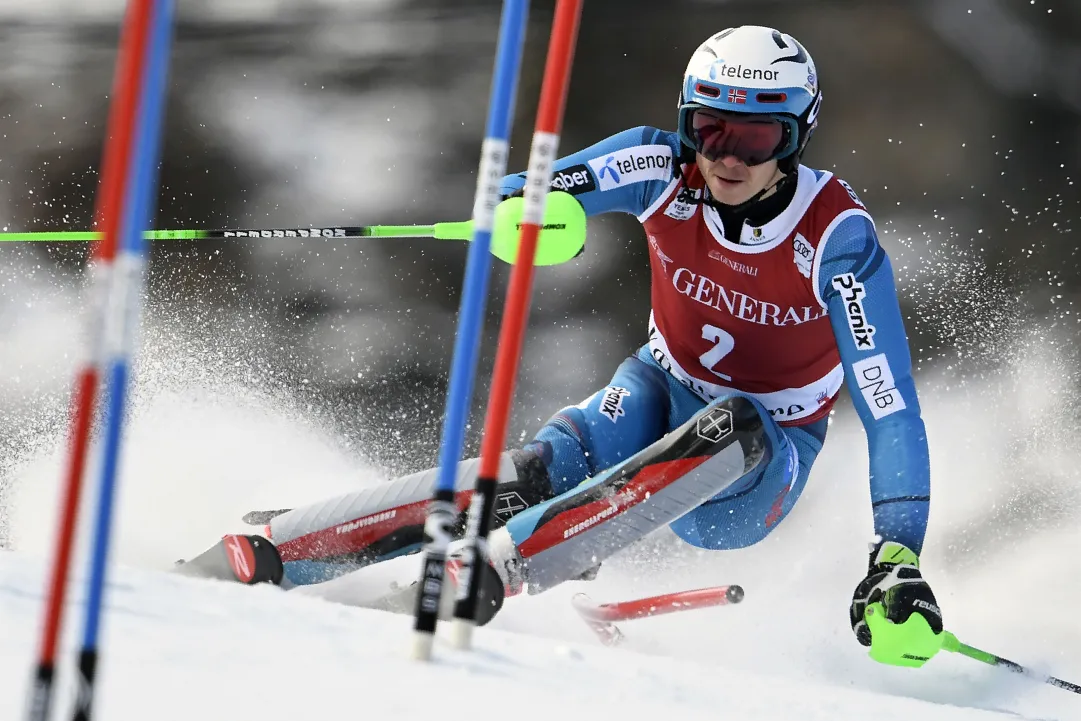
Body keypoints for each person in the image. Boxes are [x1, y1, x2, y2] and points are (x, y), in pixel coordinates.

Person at [220, 25, 943, 667]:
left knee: (735, 420)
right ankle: (286, 547)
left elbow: (890, 407)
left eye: (756, 139)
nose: (725, 157)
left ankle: (498, 567)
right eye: (709, 129)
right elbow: (531, 189)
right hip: (659, 386)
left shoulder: (836, 239)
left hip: (754, 467)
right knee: (542, 469)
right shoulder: (659, 167)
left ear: (796, 135)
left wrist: (896, 555)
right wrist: (522, 212)